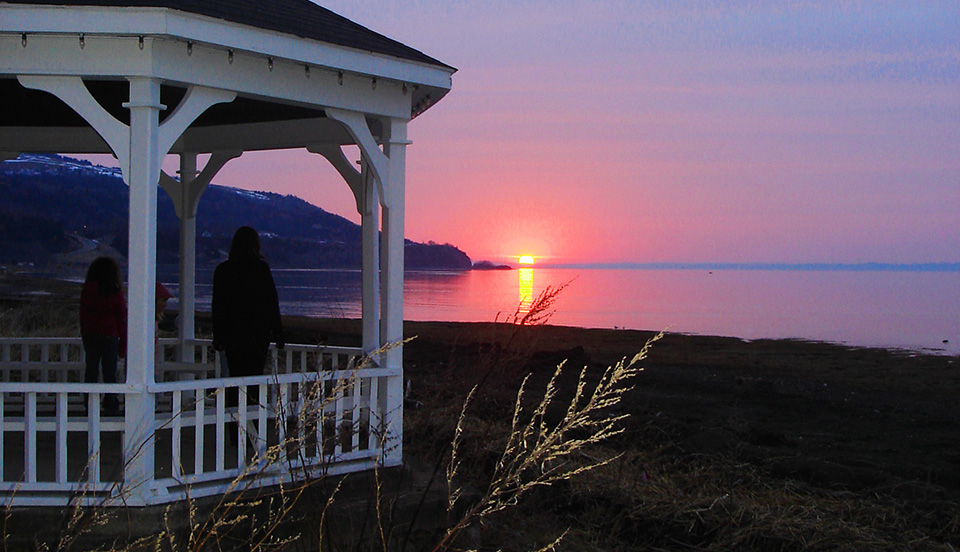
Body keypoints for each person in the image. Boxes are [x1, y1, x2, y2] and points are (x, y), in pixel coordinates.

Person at [212, 226, 284, 396]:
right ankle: (250, 410)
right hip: (257, 335)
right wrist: (278, 333)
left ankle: (233, 411)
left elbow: (217, 307)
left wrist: (218, 336)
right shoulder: (261, 269)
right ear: (256, 245)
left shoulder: (223, 270)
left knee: (234, 377)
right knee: (253, 379)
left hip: (232, 335)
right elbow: (271, 302)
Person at [80, 256, 126, 416]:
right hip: (110, 335)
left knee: (91, 372)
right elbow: (121, 319)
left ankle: (90, 405)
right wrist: (123, 345)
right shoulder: (115, 292)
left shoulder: (88, 290)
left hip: (91, 334)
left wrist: (84, 335)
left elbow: (83, 315)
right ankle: (111, 404)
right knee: (110, 373)